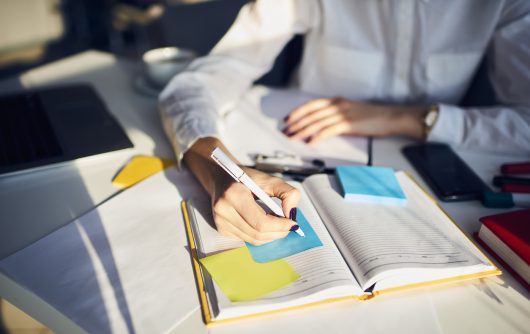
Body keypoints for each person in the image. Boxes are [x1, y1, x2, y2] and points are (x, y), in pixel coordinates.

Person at [159, 0, 530, 245]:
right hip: (300, 161)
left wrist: (412, 118)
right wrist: (216, 166)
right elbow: (196, 85)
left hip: (433, 194)